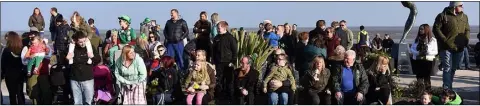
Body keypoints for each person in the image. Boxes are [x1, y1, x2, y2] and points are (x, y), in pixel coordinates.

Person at [433, 1, 470, 89]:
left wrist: (466, 40)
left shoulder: (464, 17)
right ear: (455, 6)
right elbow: (436, 29)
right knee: (447, 68)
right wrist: (445, 40)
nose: (462, 7)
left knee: (453, 68)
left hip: (459, 48)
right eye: (460, 5)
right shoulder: (442, 15)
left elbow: (467, 29)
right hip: (446, 47)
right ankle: (446, 88)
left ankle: (449, 87)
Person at [65, 31, 98, 105]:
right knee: (77, 102)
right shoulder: (71, 48)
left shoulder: (90, 47)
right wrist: (67, 59)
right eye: (80, 42)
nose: (83, 43)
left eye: (84, 41)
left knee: (88, 102)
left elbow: (98, 60)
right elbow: (62, 62)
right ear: (76, 41)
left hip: (88, 78)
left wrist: (92, 57)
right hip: (74, 79)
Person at [212, 21, 237, 103]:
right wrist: (213, 63)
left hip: (228, 63)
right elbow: (213, 52)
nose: (218, 30)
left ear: (224, 28)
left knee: (229, 81)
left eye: (219, 28)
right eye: (217, 28)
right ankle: (220, 97)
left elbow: (235, 51)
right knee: (219, 81)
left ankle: (230, 98)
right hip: (219, 63)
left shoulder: (230, 38)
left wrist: (232, 62)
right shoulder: (216, 38)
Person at [410, 24, 438, 91]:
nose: (420, 30)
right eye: (420, 29)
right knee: (419, 76)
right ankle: (420, 91)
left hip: (427, 60)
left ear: (426, 29)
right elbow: (412, 49)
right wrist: (417, 53)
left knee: (426, 77)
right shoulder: (417, 39)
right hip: (418, 60)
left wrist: (427, 52)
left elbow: (435, 51)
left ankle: (428, 91)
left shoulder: (432, 40)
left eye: (422, 29)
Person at [1, 31, 26, 105]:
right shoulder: (22, 49)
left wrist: (2, 74)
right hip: (20, 74)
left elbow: (3, 64)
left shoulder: (6, 50)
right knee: (20, 93)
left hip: (9, 75)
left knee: (12, 95)